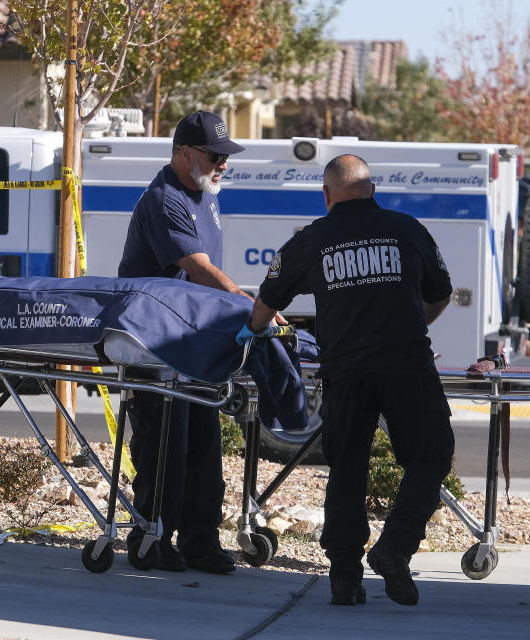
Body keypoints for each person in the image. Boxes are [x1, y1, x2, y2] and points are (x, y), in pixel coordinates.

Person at [238, 154, 454, 606]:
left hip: (346, 371)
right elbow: (440, 293)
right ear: (372, 190)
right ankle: (394, 547)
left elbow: (267, 297)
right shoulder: (407, 229)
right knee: (429, 456)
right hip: (407, 365)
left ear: (327, 195)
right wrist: (416, 322)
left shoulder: (313, 239)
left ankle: (344, 577)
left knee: (348, 468)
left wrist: (253, 332)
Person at [119, 110, 250, 573]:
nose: (223, 165)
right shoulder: (164, 199)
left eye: (224, 157)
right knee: (162, 448)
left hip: (193, 345)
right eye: (215, 156)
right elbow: (197, 268)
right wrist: (244, 303)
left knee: (202, 444)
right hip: (156, 346)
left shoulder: (205, 194)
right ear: (183, 153)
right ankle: (152, 536)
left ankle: (200, 540)